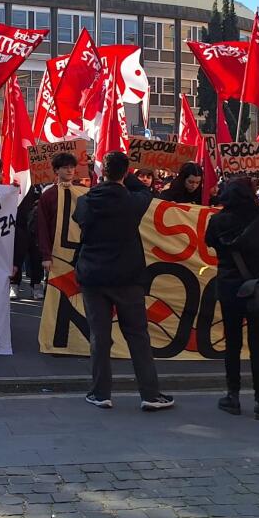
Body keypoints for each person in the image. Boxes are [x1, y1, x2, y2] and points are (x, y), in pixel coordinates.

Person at [73, 151, 173, 412]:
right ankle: (149, 394)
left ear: (101, 172)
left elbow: (79, 219)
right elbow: (144, 190)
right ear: (126, 172)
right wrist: (127, 176)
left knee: (99, 336)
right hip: (127, 276)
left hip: (93, 275)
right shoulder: (133, 201)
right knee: (138, 336)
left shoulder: (85, 202)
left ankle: (100, 393)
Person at [205, 176, 259, 420]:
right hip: (258, 288)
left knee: (232, 343)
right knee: (258, 344)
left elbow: (209, 241)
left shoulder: (218, 221)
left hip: (230, 288)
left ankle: (233, 396)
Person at [36, 152, 78, 276]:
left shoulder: (82, 192)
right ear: (56, 170)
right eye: (65, 167)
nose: (69, 170)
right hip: (55, 252)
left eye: (72, 167)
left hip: (78, 252)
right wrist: (46, 256)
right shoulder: (48, 195)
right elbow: (42, 226)